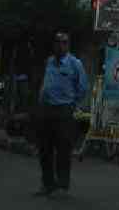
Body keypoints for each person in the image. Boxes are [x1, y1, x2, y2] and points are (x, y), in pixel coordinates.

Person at [33, 31, 88, 199]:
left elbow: (83, 87)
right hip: (47, 109)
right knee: (44, 149)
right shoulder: (49, 61)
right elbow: (45, 83)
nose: (60, 45)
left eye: (64, 42)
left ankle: (62, 183)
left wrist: (73, 104)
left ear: (68, 45)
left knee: (63, 149)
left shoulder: (75, 64)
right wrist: (40, 100)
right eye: (57, 42)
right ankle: (47, 183)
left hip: (65, 110)